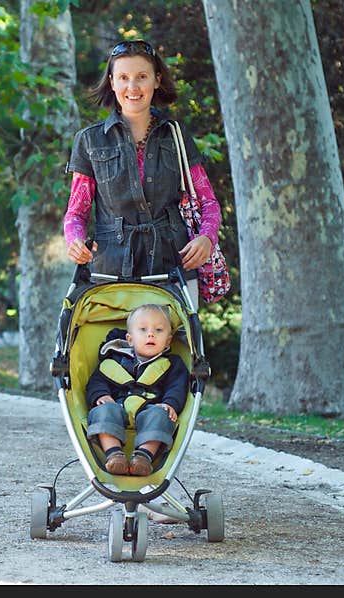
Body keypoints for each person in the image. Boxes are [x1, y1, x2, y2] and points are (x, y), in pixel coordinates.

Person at [62, 39, 223, 303]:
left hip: (175, 271)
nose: (132, 87)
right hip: (111, 277)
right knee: (114, 345)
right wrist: (75, 241)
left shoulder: (177, 136)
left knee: (182, 345)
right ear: (112, 82)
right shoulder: (89, 140)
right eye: (123, 77)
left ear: (157, 80)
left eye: (142, 77)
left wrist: (207, 237)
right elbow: (76, 213)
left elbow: (209, 203)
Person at [85, 303, 188, 477]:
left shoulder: (173, 364)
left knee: (161, 416)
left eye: (159, 330)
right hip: (117, 405)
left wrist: (170, 403)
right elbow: (96, 381)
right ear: (130, 339)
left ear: (168, 341)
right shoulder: (115, 360)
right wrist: (101, 395)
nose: (151, 334)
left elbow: (177, 387)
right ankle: (114, 454)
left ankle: (144, 456)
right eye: (143, 329)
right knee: (102, 411)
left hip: (151, 407)